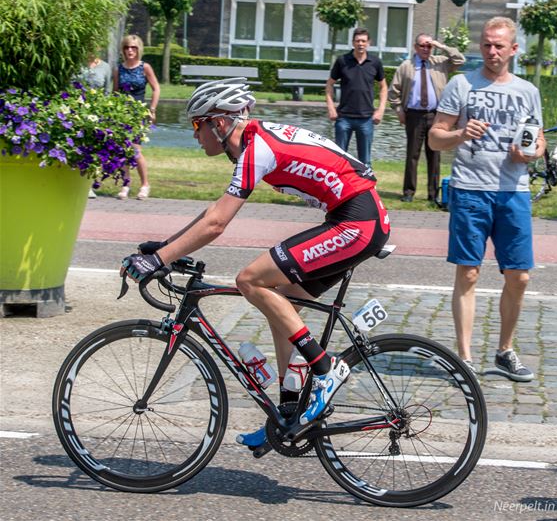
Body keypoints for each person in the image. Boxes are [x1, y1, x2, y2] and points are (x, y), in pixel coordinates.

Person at [121, 78, 391, 448]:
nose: (195, 136)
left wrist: (158, 261)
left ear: (218, 123)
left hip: (356, 221)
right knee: (282, 304)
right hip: (355, 217)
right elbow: (214, 211)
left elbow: (217, 224)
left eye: (197, 126)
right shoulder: (254, 141)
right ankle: (288, 417)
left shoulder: (257, 147)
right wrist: (166, 248)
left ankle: (325, 369)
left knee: (250, 280)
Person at [428, 17, 545, 382]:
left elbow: (539, 142)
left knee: (520, 276)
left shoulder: (527, 91)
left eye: (499, 46)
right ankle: (465, 358)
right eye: (486, 45)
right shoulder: (461, 84)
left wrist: (530, 153)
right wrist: (461, 133)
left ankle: (505, 350)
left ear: (513, 49)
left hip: (513, 192)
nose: (491, 52)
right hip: (470, 189)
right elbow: (434, 137)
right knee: (469, 272)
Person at [388, 34, 465, 204]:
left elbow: (460, 60)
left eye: (429, 46)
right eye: (422, 46)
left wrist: (441, 45)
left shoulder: (440, 62)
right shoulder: (406, 66)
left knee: (434, 155)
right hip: (414, 115)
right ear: (415, 47)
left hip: (436, 115)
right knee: (412, 154)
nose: (426, 49)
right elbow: (394, 92)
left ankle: (433, 194)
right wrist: (399, 110)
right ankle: (408, 192)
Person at [326, 27, 388, 169]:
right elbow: (329, 85)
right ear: (353, 43)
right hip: (344, 118)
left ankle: (366, 188)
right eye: (357, 41)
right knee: (339, 158)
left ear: (368, 43)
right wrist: (331, 107)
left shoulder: (375, 62)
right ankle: (336, 188)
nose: (360, 44)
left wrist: (380, 110)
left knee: (365, 161)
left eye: (363, 41)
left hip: (366, 118)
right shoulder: (342, 61)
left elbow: (383, 87)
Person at [114, 34, 160, 200]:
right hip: (122, 113)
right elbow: (115, 93)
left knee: (135, 150)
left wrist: (152, 109)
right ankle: (126, 184)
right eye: (127, 47)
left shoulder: (144, 67)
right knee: (122, 150)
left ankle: (145, 184)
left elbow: (156, 88)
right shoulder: (119, 69)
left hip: (137, 114)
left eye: (133, 47)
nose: (130, 50)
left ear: (138, 49)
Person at [78, 53, 114, 198]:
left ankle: (90, 183)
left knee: (94, 149)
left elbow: (108, 91)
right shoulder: (78, 65)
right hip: (79, 110)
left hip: (97, 112)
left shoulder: (105, 67)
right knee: (80, 147)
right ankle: (80, 182)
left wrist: (106, 113)